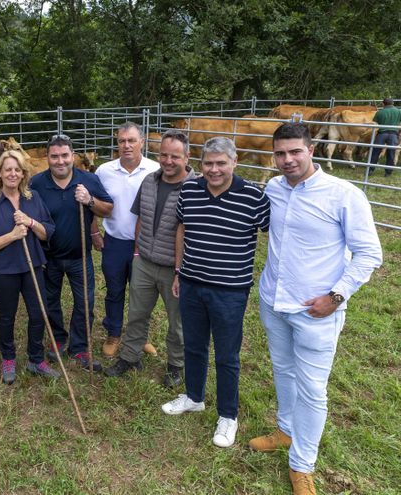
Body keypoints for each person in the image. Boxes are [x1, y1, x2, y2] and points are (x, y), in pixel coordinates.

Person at [250, 123, 382, 495]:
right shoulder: (273, 188)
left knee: (313, 389)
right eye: (280, 153)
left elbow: (370, 253)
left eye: (295, 151)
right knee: (283, 370)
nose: (287, 160)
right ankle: (286, 431)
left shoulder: (343, 194)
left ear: (312, 150)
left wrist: (336, 296)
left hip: (317, 311)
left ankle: (302, 465)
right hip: (274, 302)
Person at [161, 137, 269, 450]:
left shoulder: (253, 196)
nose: (214, 169)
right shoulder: (190, 190)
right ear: (201, 163)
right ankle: (194, 397)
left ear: (234, 162)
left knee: (226, 354)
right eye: (209, 163)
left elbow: (275, 231)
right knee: (193, 345)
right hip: (192, 283)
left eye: (221, 163)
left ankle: (228, 415)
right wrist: (179, 271)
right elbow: (182, 229)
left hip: (230, 290)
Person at [104, 130, 197, 387]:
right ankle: (130, 356)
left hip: (175, 268)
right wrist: (136, 251)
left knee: (177, 321)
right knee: (137, 313)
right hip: (144, 260)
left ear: (187, 157)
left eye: (175, 156)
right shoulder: (149, 181)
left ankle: (176, 365)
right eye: (163, 155)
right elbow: (141, 217)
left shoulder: (196, 188)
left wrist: (182, 269)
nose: (168, 161)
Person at [29, 134, 113, 373]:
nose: (60, 161)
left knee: (84, 302)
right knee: (50, 301)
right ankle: (57, 338)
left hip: (80, 256)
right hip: (49, 257)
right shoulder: (37, 184)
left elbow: (108, 209)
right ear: (47, 158)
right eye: (54, 156)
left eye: (64, 155)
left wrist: (89, 201)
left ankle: (80, 346)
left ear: (73, 156)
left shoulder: (88, 180)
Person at [0, 149, 57, 385]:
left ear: (23, 174)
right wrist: (12, 235)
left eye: (17, 170)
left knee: (38, 312)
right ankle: (8, 358)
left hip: (32, 267)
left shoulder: (33, 199)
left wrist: (30, 222)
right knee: (7, 316)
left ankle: (36, 359)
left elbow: (48, 232)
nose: (12, 173)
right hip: (3, 270)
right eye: (7, 169)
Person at [94, 122, 160, 358]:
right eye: (122, 141)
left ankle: (139, 336)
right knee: (114, 290)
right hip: (114, 241)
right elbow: (94, 204)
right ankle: (113, 333)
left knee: (141, 293)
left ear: (142, 142)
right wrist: (94, 232)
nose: (126, 145)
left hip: (145, 244)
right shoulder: (104, 171)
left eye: (131, 140)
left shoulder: (155, 169)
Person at [368, 98, 400, 177]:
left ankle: (370, 170)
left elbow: (375, 122)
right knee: (391, 153)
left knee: (375, 151)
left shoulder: (380, 112)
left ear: (383, 103)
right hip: (393, 134)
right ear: (392, 103)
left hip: (382, 134)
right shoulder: (399, 111)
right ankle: (388, 172)